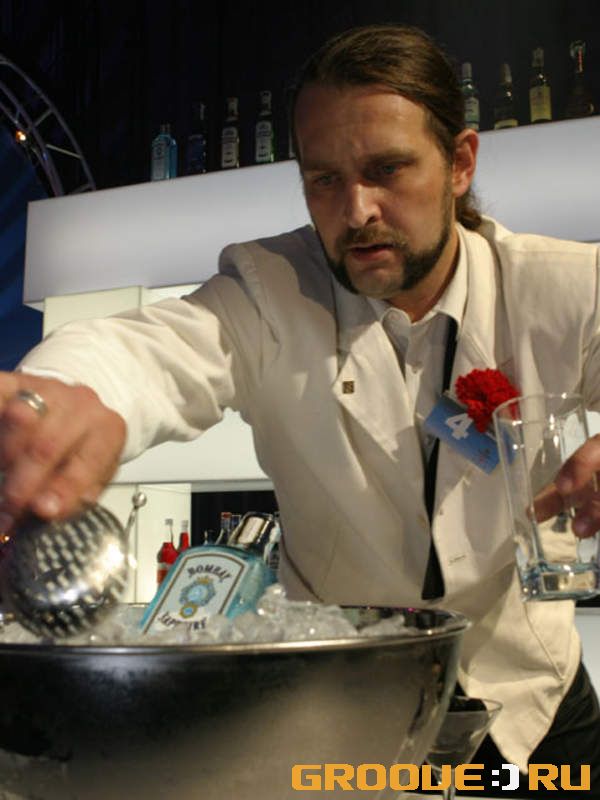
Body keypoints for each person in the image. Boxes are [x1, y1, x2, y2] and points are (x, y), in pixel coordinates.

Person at [1, 23, 599, 794]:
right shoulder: (271, 289)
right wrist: (63, 398)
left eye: (387, 170)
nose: (356, 210)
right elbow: (153, 350)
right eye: (324, 179)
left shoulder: (557, 287)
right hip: (348, 708)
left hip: (534, 704)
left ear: (460, 163)